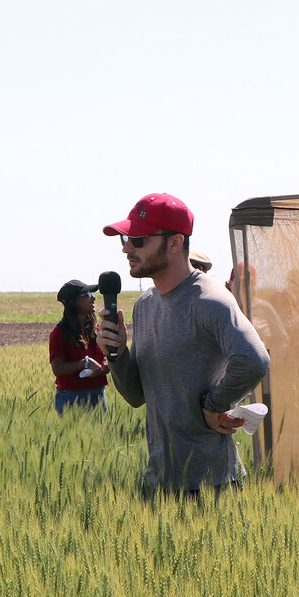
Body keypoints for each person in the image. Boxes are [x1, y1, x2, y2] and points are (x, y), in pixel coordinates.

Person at [96, 193, 270, 496]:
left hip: (211, 484)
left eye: (138, 240)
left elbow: (254, 360)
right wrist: (119, 354)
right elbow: (138, 395)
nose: (126, 248)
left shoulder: (210, 300)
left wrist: (213, 406)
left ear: (175, 243)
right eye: (124, 239)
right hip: (159, 480)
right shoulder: (145, 305)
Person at [49, 279, 109, 414]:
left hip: (98, 394)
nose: (93, 298)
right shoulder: (59, 333)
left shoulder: (94, 329)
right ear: (73, 302)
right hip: (72, 398)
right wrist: (85, 363)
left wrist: (104, 366)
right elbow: (57, 369)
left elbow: (105, 356)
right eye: (87, 294)